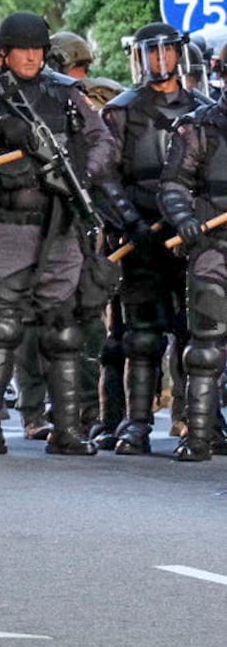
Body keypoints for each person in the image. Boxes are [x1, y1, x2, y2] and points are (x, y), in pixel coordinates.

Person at [0, 12, 116, 458]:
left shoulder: (65, 93)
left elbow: (103, 141)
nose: (30, 56)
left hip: (59, 221)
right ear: (5, 52)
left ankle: (67, 428)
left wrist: (79, 176)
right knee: (2, 326)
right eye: (21, 48)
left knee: (63, 328)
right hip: (3, 221)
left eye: (37, 48)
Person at [99, 24, 211, 454]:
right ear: (140, 57)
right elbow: (104, 176)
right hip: (141, 235)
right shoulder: (121, 112)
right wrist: (130, 221)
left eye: (167, 51)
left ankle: (194, 418)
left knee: (194, 329)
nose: (160, 60)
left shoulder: (202, 111)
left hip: (190, 235)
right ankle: (136, 422)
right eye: (152, 52)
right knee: (141, 335)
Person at [155, 92, 227, 461]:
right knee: (205, 347)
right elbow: (173, 184)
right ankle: (199, 435)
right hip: (214, 248)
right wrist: (183, 219)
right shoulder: (200, 126)